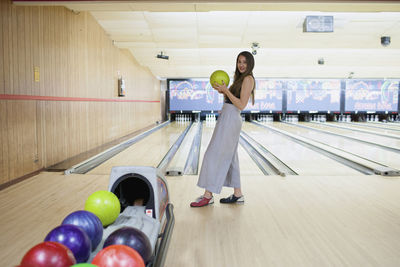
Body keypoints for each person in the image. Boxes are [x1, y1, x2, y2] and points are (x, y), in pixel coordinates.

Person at [190, 51, 255, 207]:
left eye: (245, 62)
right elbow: (233, 102)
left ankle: (208, 195)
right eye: (239, 61)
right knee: (230, 158)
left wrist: (226, 92)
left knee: (213, 155)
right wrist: (224, 94)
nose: (241, 65)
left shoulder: (248, 79)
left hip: (231, 121)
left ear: (250, 64)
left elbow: (241, 105)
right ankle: (238, 195)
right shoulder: (240, 78)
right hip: (227, 118)